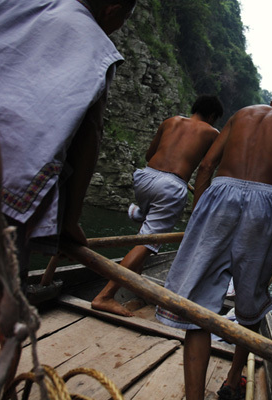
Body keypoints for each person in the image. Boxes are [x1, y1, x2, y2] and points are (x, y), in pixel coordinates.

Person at [0, 0, 136, 319]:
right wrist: (67, 222)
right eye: (125, 16)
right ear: (113, 7)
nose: (121, 25)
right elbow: (89, 135)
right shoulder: (96, 46)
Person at [156, 89, 272, 400]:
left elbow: (206, 166)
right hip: (267, 202)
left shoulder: (242, 113)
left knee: (198, 307)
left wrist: (199, 212)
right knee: (250, 303)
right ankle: (232, 381)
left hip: (219, 194)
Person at [91, 95, 223, 317]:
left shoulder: (170, 121)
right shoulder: (212, 133)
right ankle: (105, 296)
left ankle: (135, 281)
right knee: (149, 242)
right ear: (212, 116)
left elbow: (149, 155)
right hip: (171, 186)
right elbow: (205, 169)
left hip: (144, 178)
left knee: (145, 233)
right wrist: (198, 208)